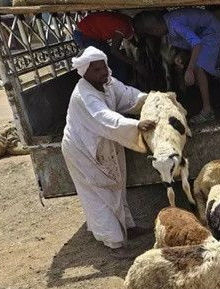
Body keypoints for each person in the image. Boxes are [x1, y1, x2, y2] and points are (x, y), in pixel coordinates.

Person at [61, 47, 156, 258]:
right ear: (84, 72)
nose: (102, 72)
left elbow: (130, 97)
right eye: (95, 69)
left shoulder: (109, 83)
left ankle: (127, 228)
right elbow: (104, 117)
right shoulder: (84, 95)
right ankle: (115, 243)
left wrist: (152, 100)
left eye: (103, 66)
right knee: (99, 193)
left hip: (104, 143)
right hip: (83, 148)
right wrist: (137, 125)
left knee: (117, 185)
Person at [134, 9, 220, 124]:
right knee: (205, 64)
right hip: (202, 33)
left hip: (211, 31)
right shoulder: (167, 28)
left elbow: (196, 44)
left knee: (198, 67)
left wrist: (189, 69)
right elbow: (189, 45)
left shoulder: (174, 24)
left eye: (152, 34)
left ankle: (207, 111)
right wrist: (181, 56)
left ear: (155, 30)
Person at [73, 12, 144, 82]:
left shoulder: (128, 21)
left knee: (112, 60)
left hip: (91, 32)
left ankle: (121, 84)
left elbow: (131, 39)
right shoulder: (123, 26)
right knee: (114, 62)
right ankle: (122, 86)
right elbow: (114, 51)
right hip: (85, 34)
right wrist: (136, 64)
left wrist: (140, 48)